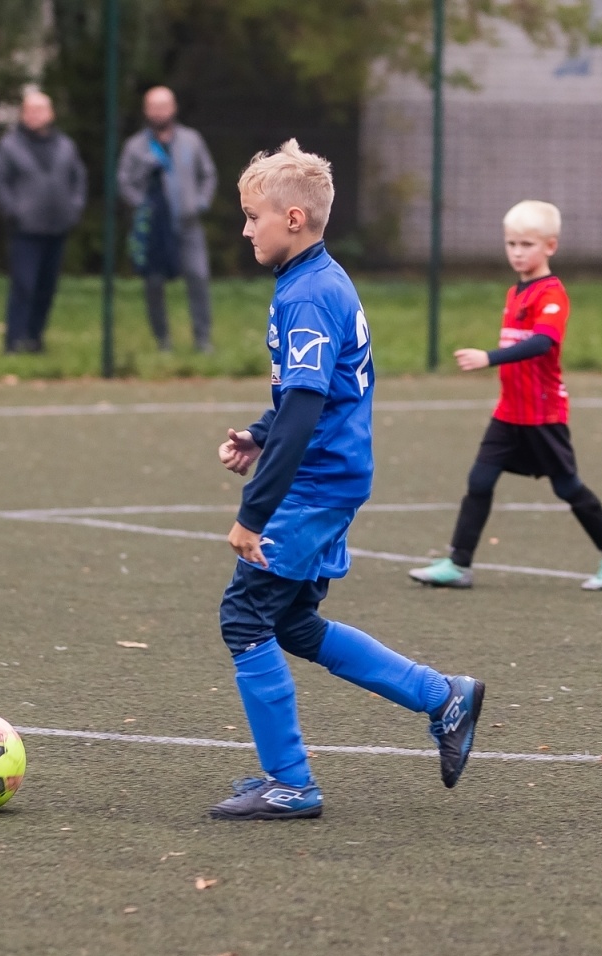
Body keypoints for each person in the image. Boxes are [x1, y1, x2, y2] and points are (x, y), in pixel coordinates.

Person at [211, 140, 485, 821]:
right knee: (294, 624)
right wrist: (262, 433)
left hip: (313, 485)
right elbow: (312, 400)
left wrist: (254, 511)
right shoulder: (317, 280)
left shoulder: (309, 295)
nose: (246, 229)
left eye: (253, 217)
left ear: (294, 219)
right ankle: (443, 696)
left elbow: (305, 409)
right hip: (326, 474)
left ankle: (292, 783)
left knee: (244, 617)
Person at [408, 200, 602, 592]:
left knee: (567, 487)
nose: (517, 252)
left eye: (526, 244)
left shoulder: (552, 294)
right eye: (511, 243)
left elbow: (542, 343)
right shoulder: (515, 291)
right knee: (479, 481)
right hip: (509, 414)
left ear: (550, 246)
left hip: (543, 414)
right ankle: (458, 564)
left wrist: (489, 357)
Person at [0, 90, 88, 353]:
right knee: (24, 284)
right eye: (30, 110)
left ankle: (35, 337)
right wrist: (12, 211)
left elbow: (79, 178)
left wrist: (74, 208)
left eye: (41, 109)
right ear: (23, 114)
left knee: (47, 287)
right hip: (25, 229)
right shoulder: (10, 146)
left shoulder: (65, 146)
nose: (35, 115)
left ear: (51, 114)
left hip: (57, 226)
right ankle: (14, 340)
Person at [118, 86, 217, 353]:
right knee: (154, 283)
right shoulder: (135, 147)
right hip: (154, 230)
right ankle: (163, 341)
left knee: (198, 277)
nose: (159, 112)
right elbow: (124, 182)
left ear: (173, 108)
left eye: (164, 106)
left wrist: (200, 202)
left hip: (188, 225)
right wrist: (142, 206)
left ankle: (203, 339)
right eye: (154, 106)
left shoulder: (191, 140)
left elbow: (208, 174)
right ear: (146, 110)